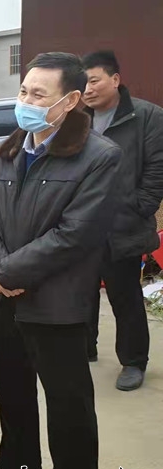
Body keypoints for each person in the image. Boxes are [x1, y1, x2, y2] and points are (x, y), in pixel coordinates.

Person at [0, 52, 121, 469]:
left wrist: (9, 271)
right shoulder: (6, 150)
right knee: (11, 387)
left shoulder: (98, 157)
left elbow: (76, 235)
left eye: (38, 95)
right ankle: (18, 463)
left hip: (58, 303)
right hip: (5, 299)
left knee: (68, 403)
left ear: (70, 100)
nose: (26, 102)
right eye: (23, 91)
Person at [81, 50, 163, 390]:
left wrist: (139, 207)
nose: (87, 89)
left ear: (115, 79)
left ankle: (133, 361)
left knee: (125, 297)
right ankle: (84, 349)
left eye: (94, 81)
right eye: (82, 83)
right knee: (80, 292)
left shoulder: (146, 116)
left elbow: (157, 168)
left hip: (123, 225)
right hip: (82, 225)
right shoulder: (77, 117)